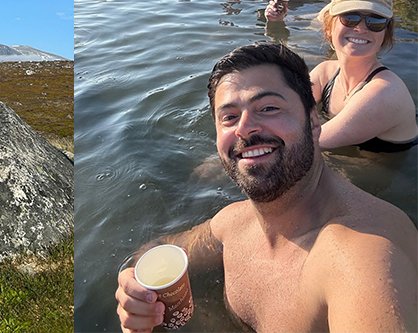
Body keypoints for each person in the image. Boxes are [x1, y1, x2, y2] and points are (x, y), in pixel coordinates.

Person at [115, 43, 417, 333]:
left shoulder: (360, 255)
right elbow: (157, 252)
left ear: (313, 121)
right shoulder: (233, 222)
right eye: (229, 117)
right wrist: (133, 291)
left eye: (269, 108)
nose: (245, 128)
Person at [310, 0, 418, 151]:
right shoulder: (325, 72)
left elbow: (305, 147)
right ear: (329, 27)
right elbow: (286, 109)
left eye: (375, 22)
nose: (361, 28)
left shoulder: (385, 92)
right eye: (349, 18)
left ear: (385, 35)